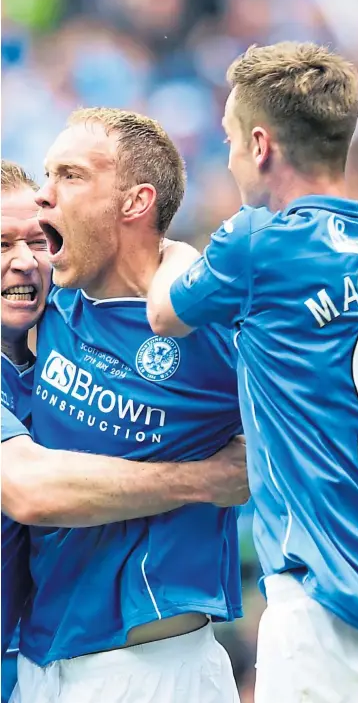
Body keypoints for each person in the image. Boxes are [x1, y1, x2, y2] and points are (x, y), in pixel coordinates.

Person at [147, 41, 358, 702]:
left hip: (316, 611)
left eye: (226, 140)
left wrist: (168, 251)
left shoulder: (257, 240)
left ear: (260, 145)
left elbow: (164, 312)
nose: (224, 158)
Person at [11, 108, 246, 703]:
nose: (45, 196)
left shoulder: (217, 331)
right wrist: (205, 479)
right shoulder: (53, 311)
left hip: (152, 669)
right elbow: (33, 491)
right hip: (40, 664)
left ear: (135, 201)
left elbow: (354, 417)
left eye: (69, 175)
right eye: (46, 174)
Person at [1, 160, 51, 703]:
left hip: (38, 667)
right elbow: (30, 490)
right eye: (1, 244)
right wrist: (205, 477)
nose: (23, 262)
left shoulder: (65, 367)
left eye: (38, 242)